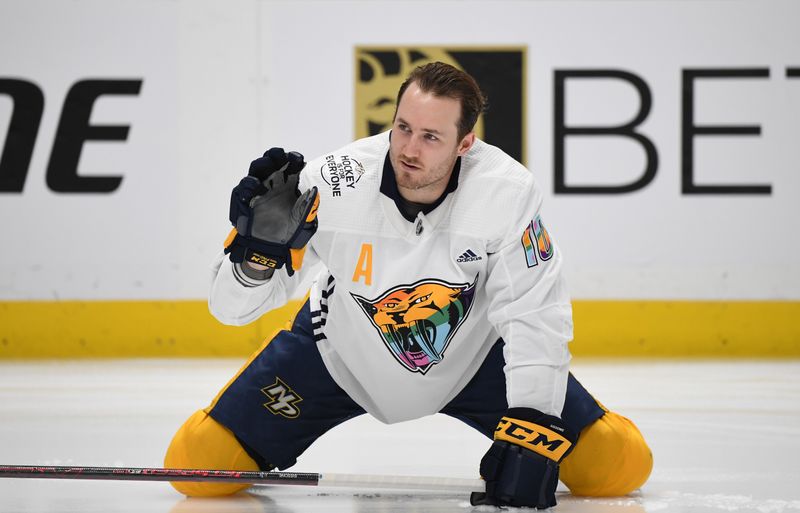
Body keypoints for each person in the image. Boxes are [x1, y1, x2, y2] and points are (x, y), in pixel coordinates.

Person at [164, 62, 652, 509]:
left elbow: (533, 312)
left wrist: (532, 426)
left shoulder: (506, 192)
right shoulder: (331, 185)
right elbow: (231, 311)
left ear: (466, 143)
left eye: (431, 137)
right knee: (196, 466)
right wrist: (255, 260)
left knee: (618, 466)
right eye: (402, 128)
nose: (409, 149)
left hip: (477, 360)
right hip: (337, 355)